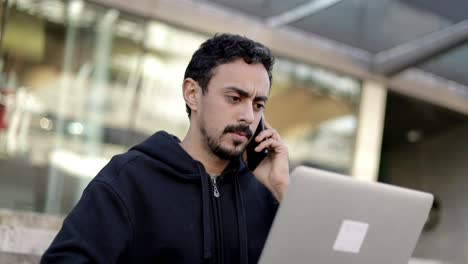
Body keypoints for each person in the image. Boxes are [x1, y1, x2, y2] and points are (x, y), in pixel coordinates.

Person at [41, 33, 290, 264]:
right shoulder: (130, 179)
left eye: (258, 105)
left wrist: (283, 192)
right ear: (192, 94)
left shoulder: (267, 192)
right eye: (235, 98)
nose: (248, 116)